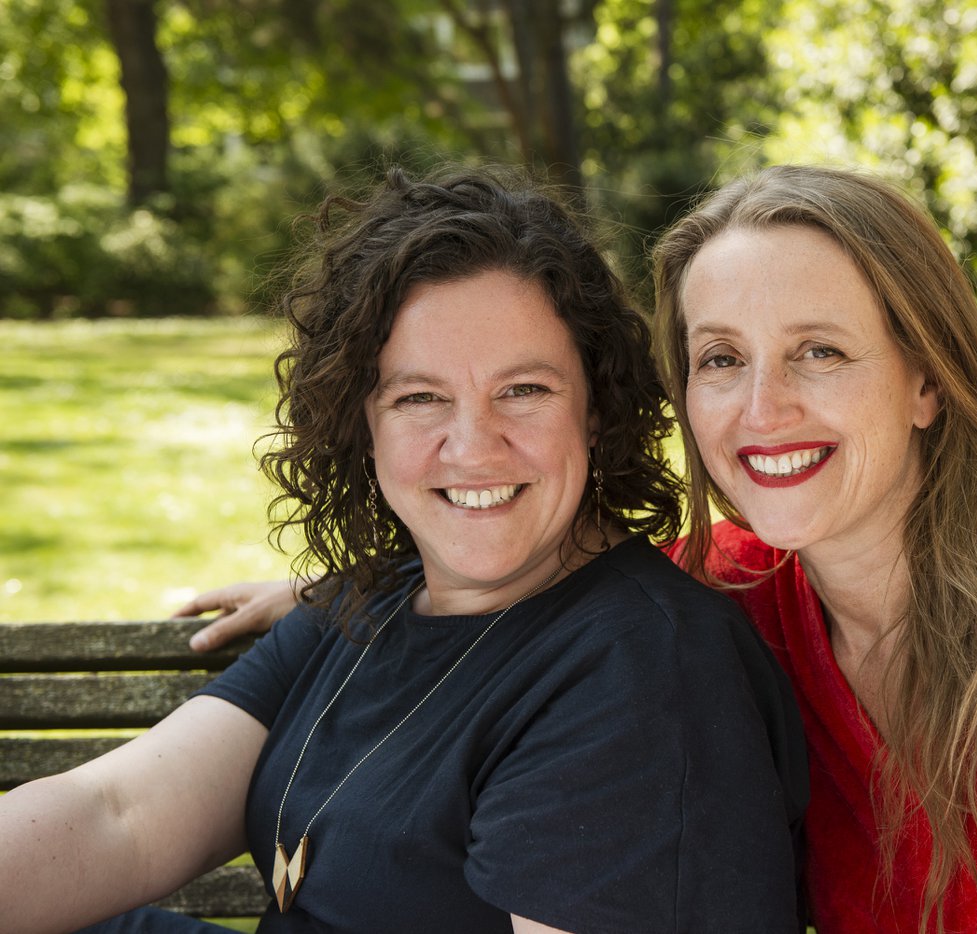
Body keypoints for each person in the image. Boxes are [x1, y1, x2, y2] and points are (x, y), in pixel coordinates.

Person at [179, 165, 977, 933]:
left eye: (817, 351)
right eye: (720, 359)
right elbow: (534, 535)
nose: (761, 410)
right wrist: (346, 582)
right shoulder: (751, 589)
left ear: (924, 378)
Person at [0, 166, 808, 934]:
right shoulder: (377, 599)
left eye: (524, 390)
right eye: (420, 397)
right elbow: (121, 816)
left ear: (595, 409)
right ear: (364, 424)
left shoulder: (642, 673)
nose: (473, 446)